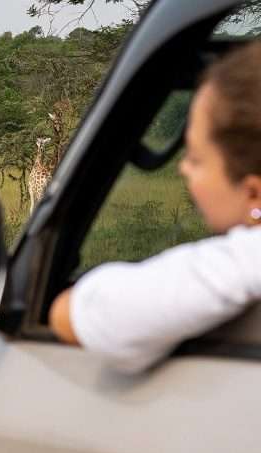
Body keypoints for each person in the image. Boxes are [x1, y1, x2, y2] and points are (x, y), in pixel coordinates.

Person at [49, 41, 261, 373]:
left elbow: (79, 315)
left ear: (253, 194)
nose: (183, 169)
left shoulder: (243, 260)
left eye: (195, 158)